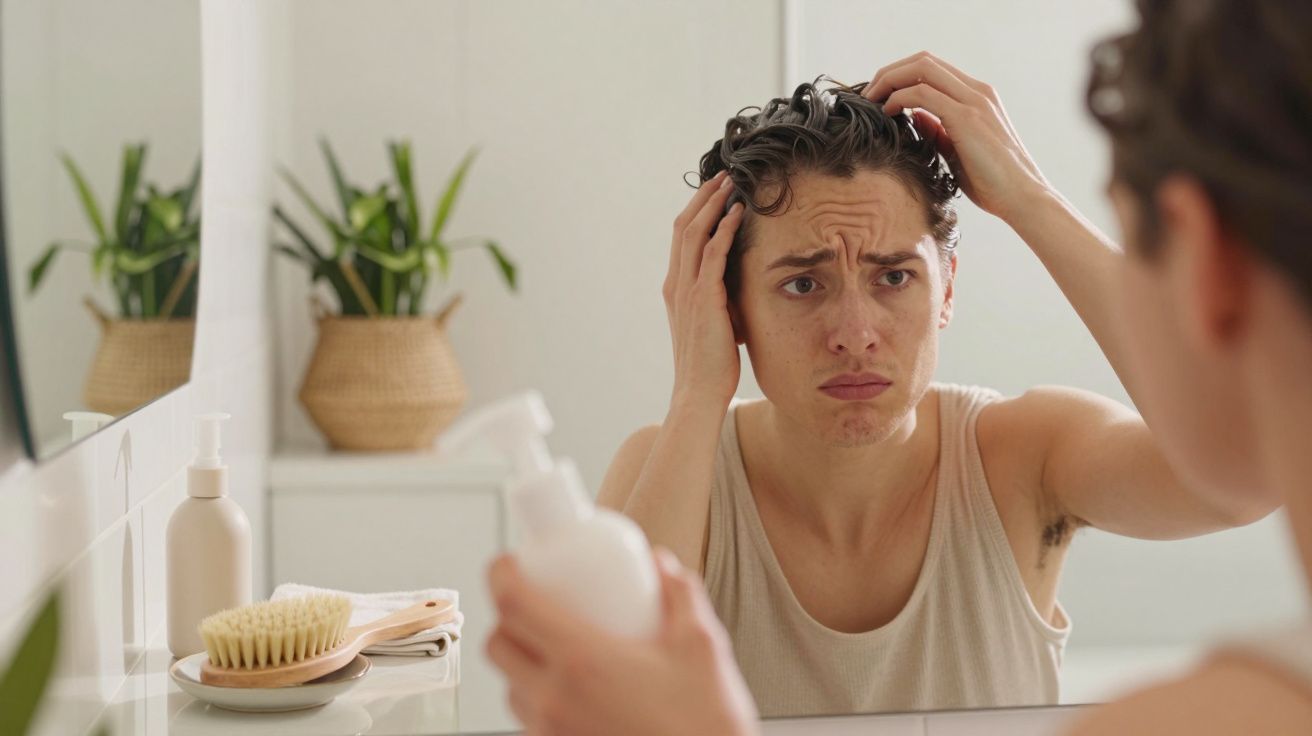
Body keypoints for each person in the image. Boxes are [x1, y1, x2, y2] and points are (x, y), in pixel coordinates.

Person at [486, 0, 1312, 732]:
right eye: (803, 282)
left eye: (894, 276)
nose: (855, 331)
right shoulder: (672, 466)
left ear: (946, 287)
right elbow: (609, 695)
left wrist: (1027, 196)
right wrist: (699, 389)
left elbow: (1234, 481)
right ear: (729, 306)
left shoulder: (1025, 455)